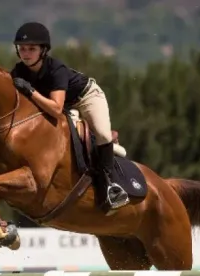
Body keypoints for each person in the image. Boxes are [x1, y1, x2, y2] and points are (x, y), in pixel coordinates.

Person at [9, 21, 129, 213]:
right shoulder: (18, 72)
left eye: (31, 49)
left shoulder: (56, 69)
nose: (26, 53)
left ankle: (111, 185)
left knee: (103, 136)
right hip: (59, 104)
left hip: (86, 97)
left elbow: (55, 109)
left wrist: (30, 91)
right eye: (22, 49)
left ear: (43, 50)